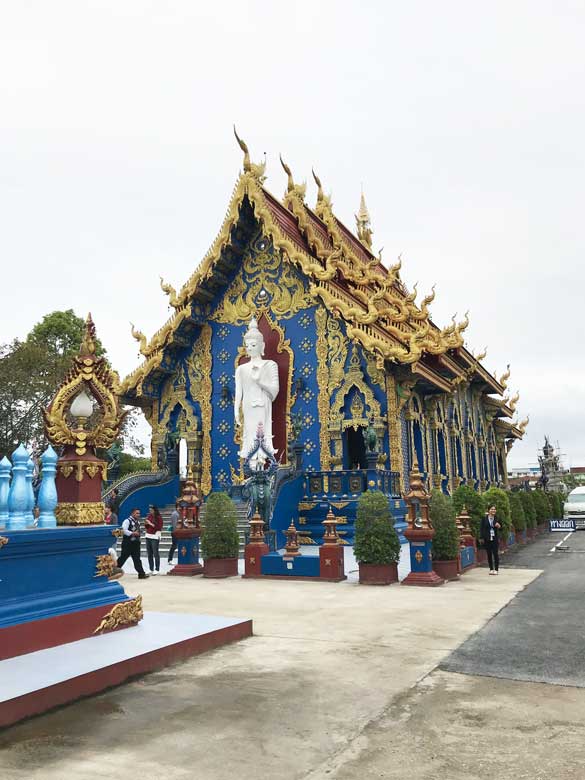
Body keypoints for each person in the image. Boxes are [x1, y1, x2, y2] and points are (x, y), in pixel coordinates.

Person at [234, 317, 279, 463]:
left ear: (262, 346)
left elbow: (274, 392)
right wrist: (236, 411)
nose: (250, 348)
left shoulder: (270, 365)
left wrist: (260, 382)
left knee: (261, 434)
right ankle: (252, 467)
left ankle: (261, 466)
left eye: (253, 345)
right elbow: (239, 393)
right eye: (248, 346)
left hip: (262, 405)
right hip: (248, 407)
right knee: (249, 435)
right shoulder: (241, 369)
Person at [117, 508, 148, 579]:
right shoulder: (127, 521)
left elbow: (138, 531)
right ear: (132, 513)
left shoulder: (138, 522)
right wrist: (132, 533)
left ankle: (141, 574)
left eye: (139, 513)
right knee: (122, 558)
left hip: (136, 543)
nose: (138, 515)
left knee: (137, 559)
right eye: (137, 513)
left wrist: (140, 532)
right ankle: (114, 572)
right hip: (127, 543)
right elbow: (123, 530)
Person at [480, 504, 502, 575]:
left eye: (494, 509)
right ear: (488, 510)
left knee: (495, 554)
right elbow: (482, 528)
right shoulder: (484, 518)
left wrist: (499, 526)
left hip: (495, 538)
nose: (493, 510)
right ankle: (491, 569)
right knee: (489, 554)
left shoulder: (497, 518)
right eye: (492, 509)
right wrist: (482, 537)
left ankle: (496, 569)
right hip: (487, 538)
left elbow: (502, 528)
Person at [145, 504, 163, 574]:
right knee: (149, 553)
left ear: (155, 510)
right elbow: (147, 527)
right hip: (148, 535)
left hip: (155, 536)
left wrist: (150, 523)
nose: (150, 512)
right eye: (149, 510)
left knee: (155, 553)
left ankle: (157, 569)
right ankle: (151, 569)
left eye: (151, 510)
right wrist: (146, 524)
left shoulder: (158, 517)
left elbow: (159, 527)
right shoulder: (149, 516)